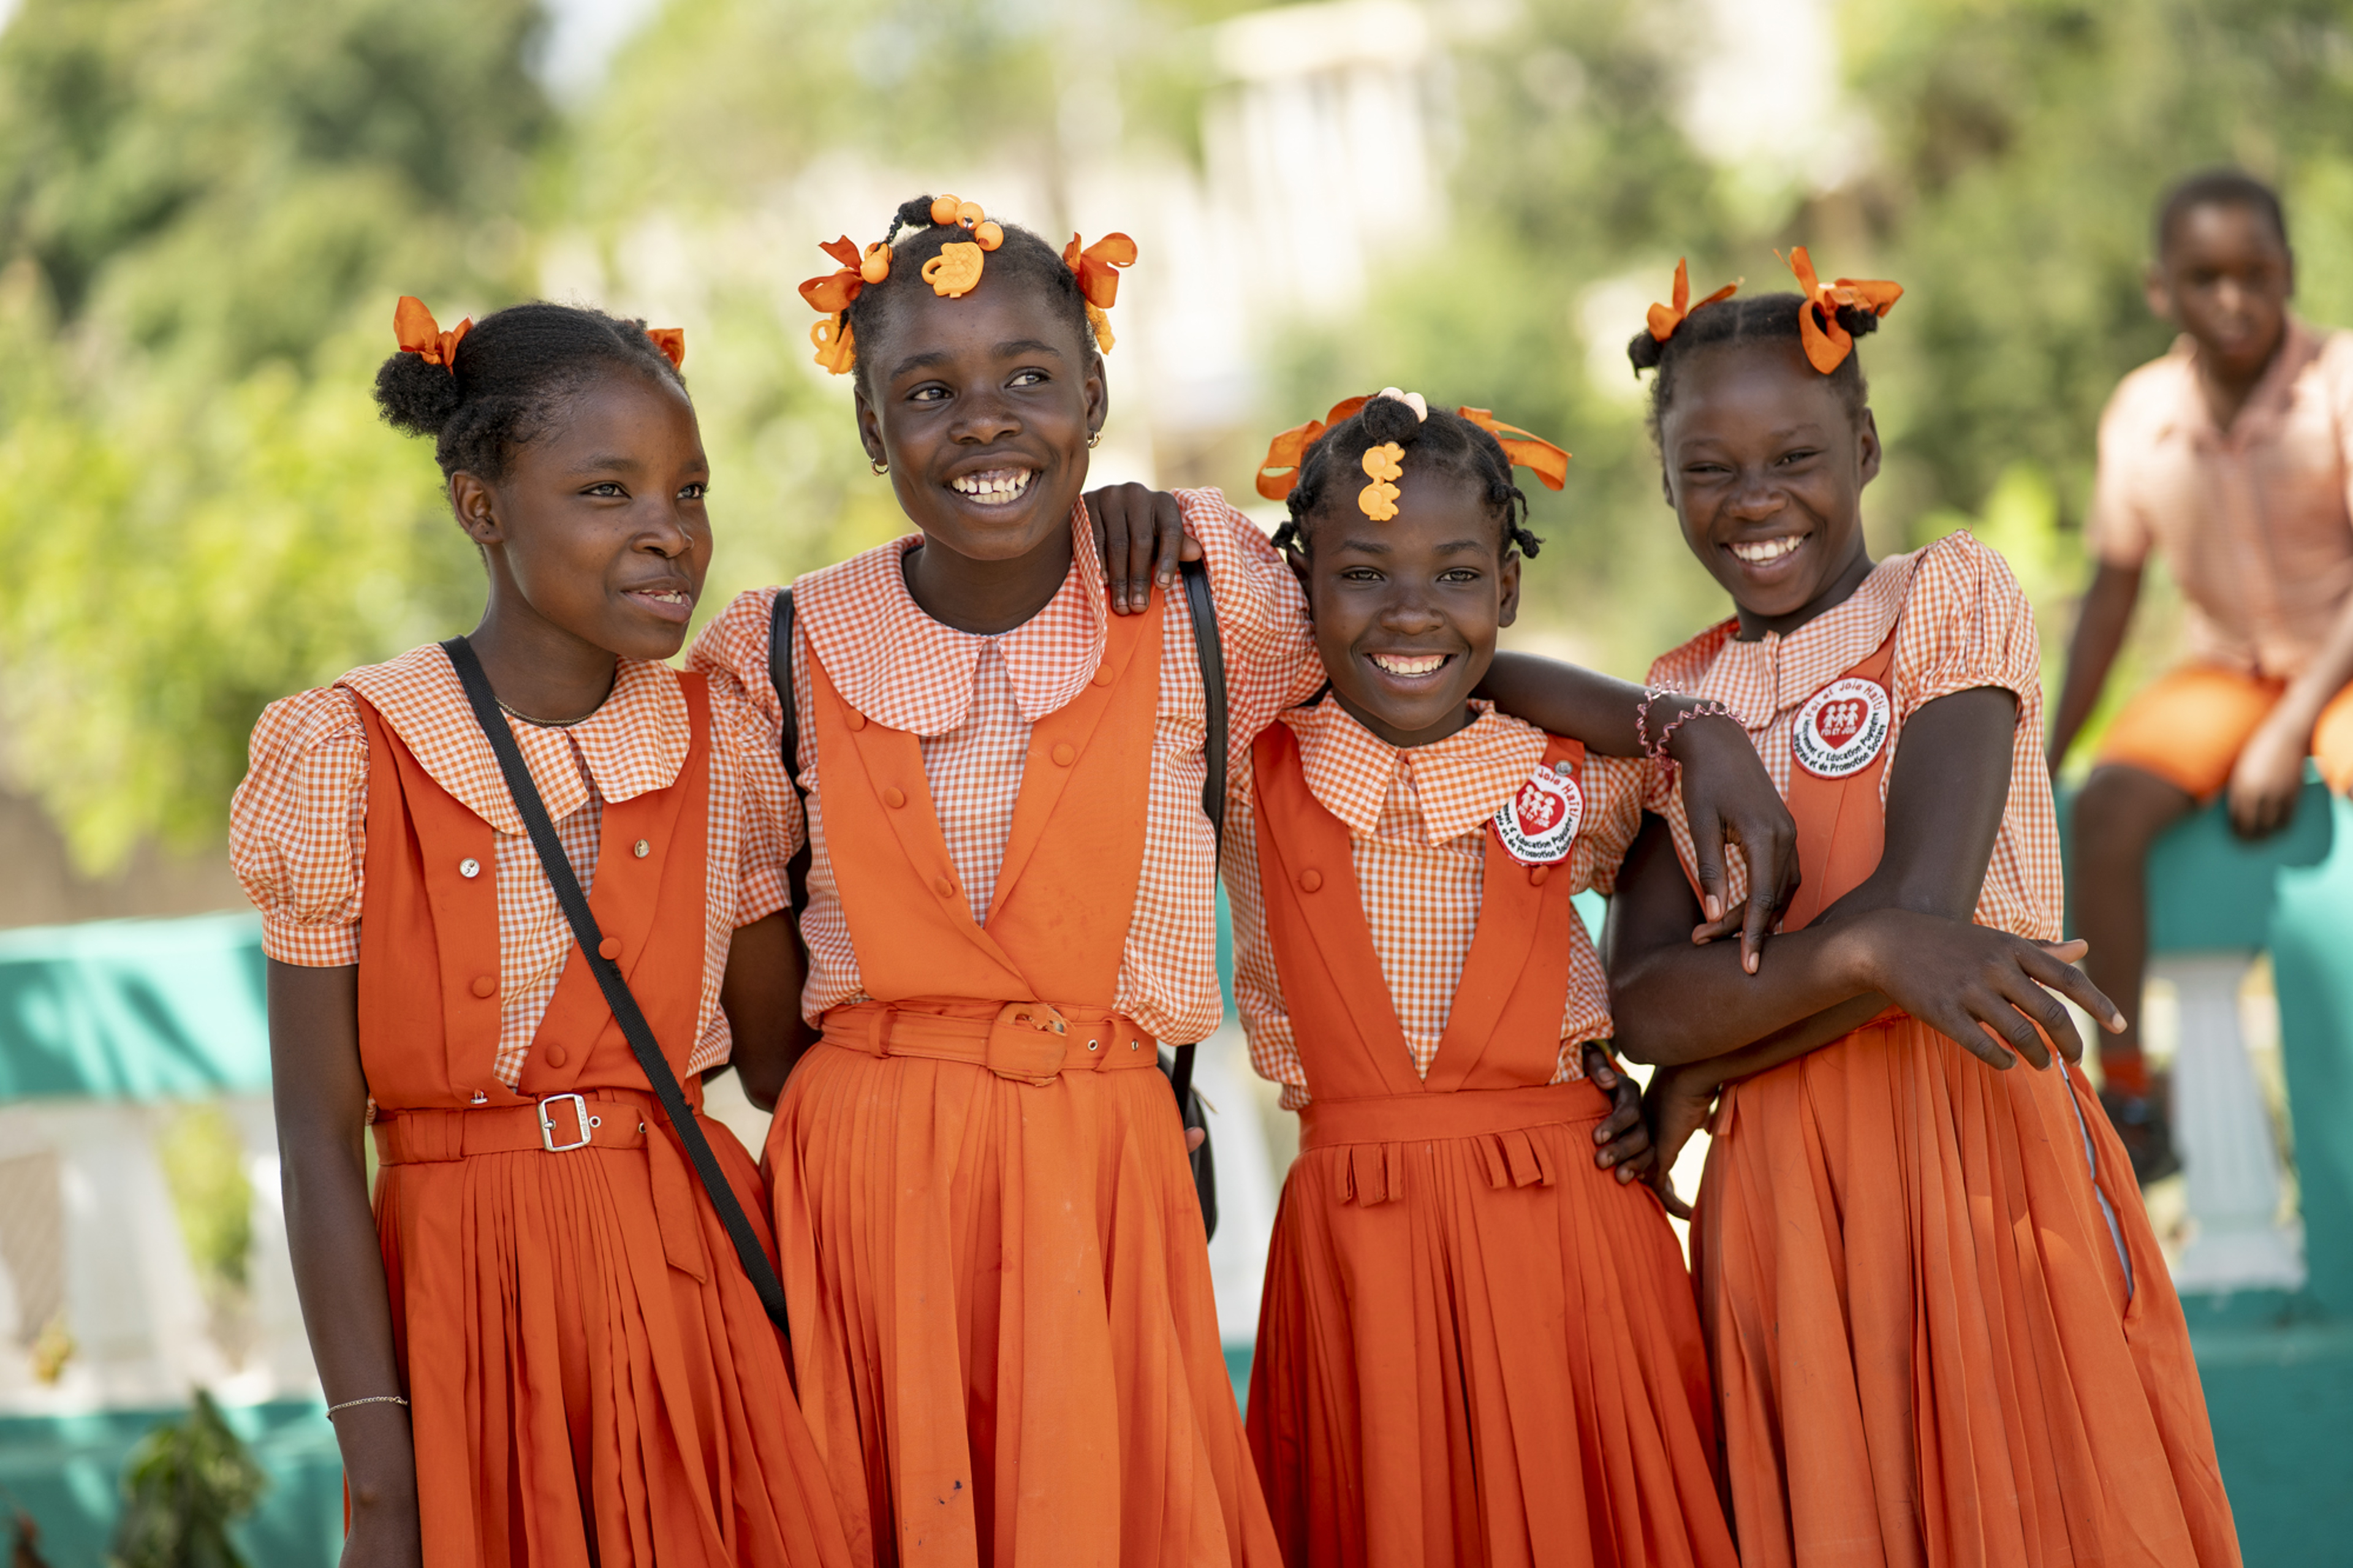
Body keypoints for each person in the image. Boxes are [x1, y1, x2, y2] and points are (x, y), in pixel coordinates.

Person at [692, 197, 1798, 1568]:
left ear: (1095, 392)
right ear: (869, 427)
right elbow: (761, 1028)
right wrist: (905, 1132)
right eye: (927, 389)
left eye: (1030, 377)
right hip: (865, 1178)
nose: (984, 419)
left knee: (1116, 1510)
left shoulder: (1205, 602)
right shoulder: (778, 647)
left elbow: (1411, 639)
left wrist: (1674, 725)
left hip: (1103, 1157)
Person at [1608, 255, 2243, 1568]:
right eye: (1710, 469)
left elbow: (1928, 917)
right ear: (1664, 481)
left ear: (1868, 443)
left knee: (2046, 1505)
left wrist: (1726, 1049)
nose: (1756, 499)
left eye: (1795, 453)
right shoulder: (1678, 696)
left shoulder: (1945, 599)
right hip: (1785, 1195)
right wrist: (1841, 960)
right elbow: (1646, 1002)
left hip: (1974, 1141)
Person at [229, 300, 858, 1568]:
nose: (667, 533)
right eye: (607, 491)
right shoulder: (347, 752)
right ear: (482, 508)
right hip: (463, 1308)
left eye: (688, 489)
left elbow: (781, 1058)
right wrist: (383, 1469)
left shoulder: (723, 741)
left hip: (694, 1290)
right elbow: (314, 1135)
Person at [1229, 389, 1743, 1568]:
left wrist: (1680, 1080)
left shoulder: (1572, 773)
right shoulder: (1253, 758)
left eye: (1457, 575)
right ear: (1301, 588)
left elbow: (1710, 922)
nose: (1413, 611)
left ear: (1506, 591)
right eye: (1363, 575)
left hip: (1571, 1228)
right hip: (1357, 1247)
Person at [2048, 168, 2353, 1182]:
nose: (2234, 300)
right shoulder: (2143, 414)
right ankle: (2131, 1088)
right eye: (2205, 278)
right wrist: (2041, 747)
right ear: (2160, 290)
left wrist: (2293, 726)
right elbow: (2112, 593)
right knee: (2108, 810)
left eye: (2256, 274)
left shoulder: (2338, 381)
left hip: (2340, 662)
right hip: (2228, 669)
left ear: (2290, 274)